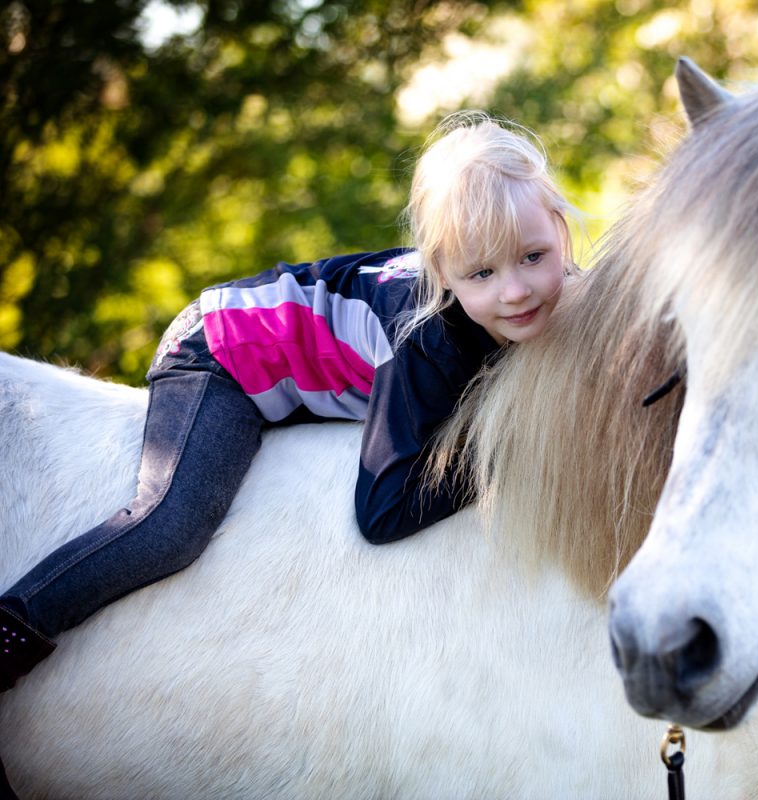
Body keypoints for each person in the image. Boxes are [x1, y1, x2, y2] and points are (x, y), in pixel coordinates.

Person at [0, 111, 581, 692]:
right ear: (443, 274)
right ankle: (15, 627)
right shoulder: (425, 342)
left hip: (268, 344)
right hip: (222, 351)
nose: (515, 290)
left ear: (560, 230)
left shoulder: (564, 294)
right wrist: (504, 456)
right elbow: (381, 509)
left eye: (533, 256)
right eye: (482, 272)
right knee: (172, 524)